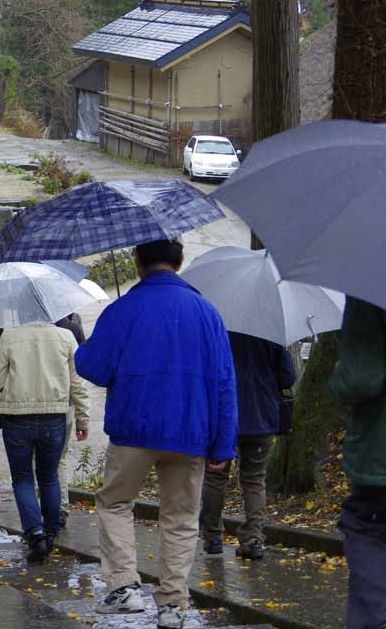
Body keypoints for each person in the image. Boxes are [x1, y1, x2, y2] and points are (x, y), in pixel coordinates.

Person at [75, 239, 237, 629]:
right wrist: (224, 443)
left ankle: (124, 588)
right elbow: (225, 383)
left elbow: (93, 367)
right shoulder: (207, 312)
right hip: (191, 433)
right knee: (181, 518)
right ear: (179, 263)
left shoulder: (123, 309)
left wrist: (88, 345)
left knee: (115, 503)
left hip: (134, 428)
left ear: (138, 261)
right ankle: (172, 605)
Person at [0, 322, 90, 562]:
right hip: (54, 416)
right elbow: (77, 382)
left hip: (17, 418)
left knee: (23, 478)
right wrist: (83, 419)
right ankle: (51, 531)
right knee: (50, 476)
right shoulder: (66, 337)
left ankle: (35, 534)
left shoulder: (10, 336)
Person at [200, 332, 296, 560]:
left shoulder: (218, 330)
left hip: (223, 417)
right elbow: (288, 378)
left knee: (215, 477)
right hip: (262, 416)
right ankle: (253, 539)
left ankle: (213, 537)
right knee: (254, 479)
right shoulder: (270, 332)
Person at [330, 297, 386, 629]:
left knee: (369, 529)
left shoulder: (374, 282)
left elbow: (359, 378)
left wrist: (339, 375)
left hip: (380, 452)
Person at [54, 312, 86, 528]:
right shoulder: (71, 330)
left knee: (35, 464)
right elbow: (78, 378)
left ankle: (39, 515)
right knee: (59, 461)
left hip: (27, 411)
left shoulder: (15, 334)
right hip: (62, 406)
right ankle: (60, 508)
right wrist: (83, 418)